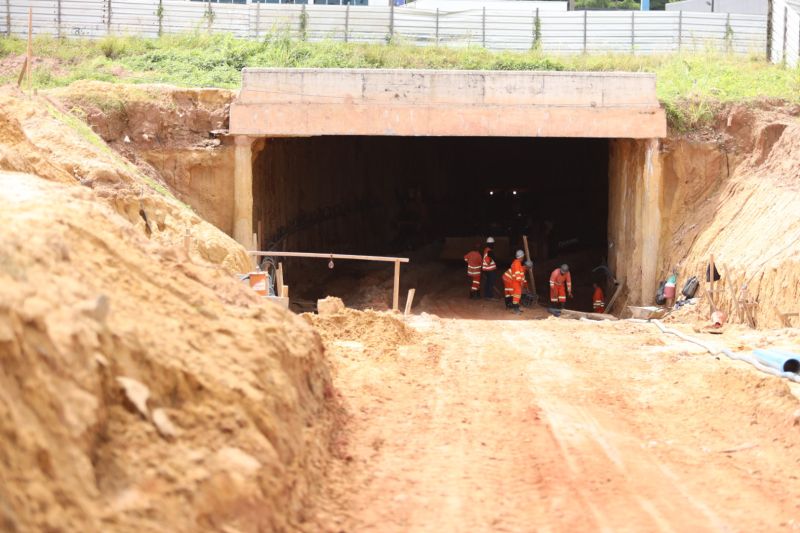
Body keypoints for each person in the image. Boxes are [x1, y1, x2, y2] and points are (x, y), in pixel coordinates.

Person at [503, 250, 532, 314]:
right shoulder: (517, 263)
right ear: (521, 257)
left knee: (515, 294)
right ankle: (515, 309)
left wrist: (526, 287)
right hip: (514, 281)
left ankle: (515, 307)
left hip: (514, 281)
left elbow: (523, 279)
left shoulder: (517, 264)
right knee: (516, 295)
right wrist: (521, 284)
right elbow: (518, 276)